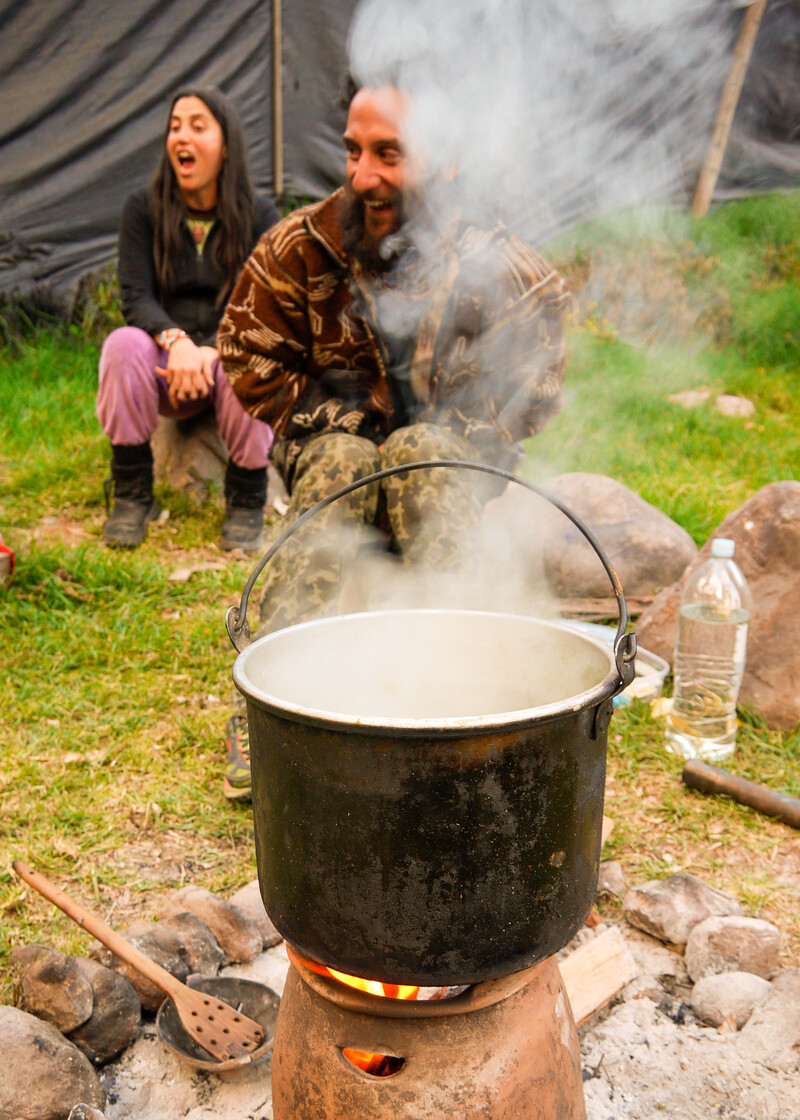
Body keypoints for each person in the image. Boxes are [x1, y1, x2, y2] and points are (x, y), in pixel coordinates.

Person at [216, 81, 571, 800]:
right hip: (328, 451)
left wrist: (453, 438)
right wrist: (340, 425)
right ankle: (270, 709)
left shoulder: (502, 266)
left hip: (451, 462)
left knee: (422, 458)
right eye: (352, 151)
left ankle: (471, 699)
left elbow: (534, 379)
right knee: (348, 461)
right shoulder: (303, 245)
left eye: (388, 154)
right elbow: (245, 348)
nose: (361, 176)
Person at [96, 86, 280, 550]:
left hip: (226, 360)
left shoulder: (259, 214)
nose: (182, 136)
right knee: (121, 343)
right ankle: (133, 496)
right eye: (175, 126)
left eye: (198, 126)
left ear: (225, 144)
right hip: (164, 363)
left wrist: (209, 351)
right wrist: (176, 342)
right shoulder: (142, 209)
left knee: (256, 351)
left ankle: (245, 502)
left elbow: (260, 303)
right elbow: (135, 297)